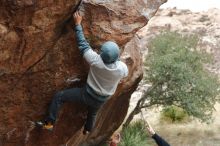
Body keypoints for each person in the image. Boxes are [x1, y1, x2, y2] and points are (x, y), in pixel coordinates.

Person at [35, 11, 128, 135]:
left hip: (86, 94)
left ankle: (49, 123)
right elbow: (123, 73)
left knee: (59, 96)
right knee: (93, 112)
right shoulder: (122, 68)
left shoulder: (95, 60)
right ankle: (87, 130)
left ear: (101, 54)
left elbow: (82, 44)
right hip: (101, 100)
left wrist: (78, 24)